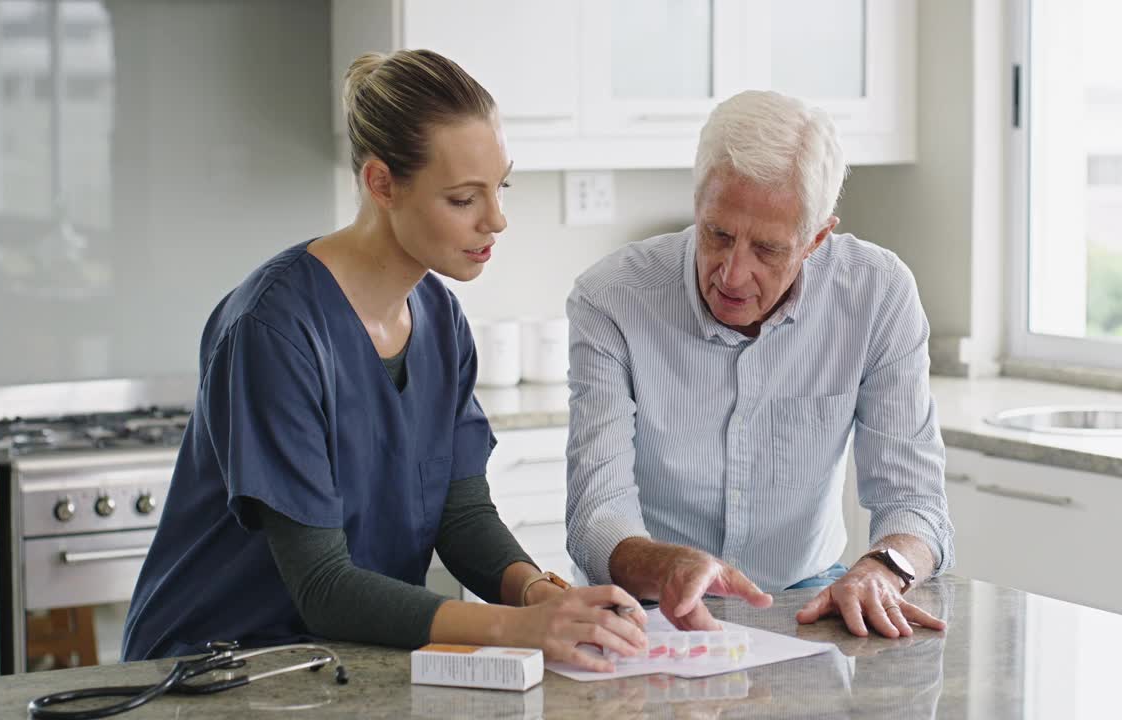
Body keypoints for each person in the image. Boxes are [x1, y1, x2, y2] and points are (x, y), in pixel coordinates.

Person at [123, 49, 646, 672]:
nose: (497, 219)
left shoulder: (440, 318)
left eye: (499, 187)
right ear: (380, 184)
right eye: (462, 199)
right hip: (214, 669)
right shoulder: (273, 330)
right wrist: (518, 627)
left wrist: (539, 594)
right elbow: (322, 587)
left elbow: (461, 512)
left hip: (342, 663)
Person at [565, 90, 954, 639]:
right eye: (717, 234)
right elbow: (594, 516)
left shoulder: (877, 295)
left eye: (768, 250)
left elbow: (915, 502)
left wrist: (882, 570)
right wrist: (669, 567)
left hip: (807, 598)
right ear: (698, 204)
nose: (732, 273)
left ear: (817, 239)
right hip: (646, 608)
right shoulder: (611, 299)